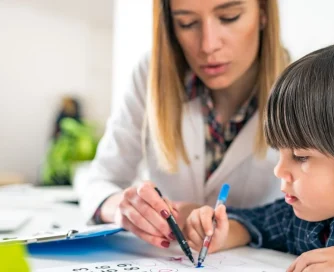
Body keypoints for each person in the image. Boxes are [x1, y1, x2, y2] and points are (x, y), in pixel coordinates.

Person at [184, 42, 334, 271]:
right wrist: (223, 233)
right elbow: (258, 224)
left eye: (301, 157)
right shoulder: (302, 215)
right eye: (279, 152)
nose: (279, 170)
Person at [77, 0, 287, 250]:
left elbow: (322, 216)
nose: (208, 45)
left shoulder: (307, 89)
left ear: (263, 13)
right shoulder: (150, 76)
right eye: (186, 23)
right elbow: (99, 181)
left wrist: (233, 224)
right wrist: (122, 208)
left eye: (229, 17)